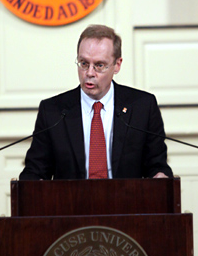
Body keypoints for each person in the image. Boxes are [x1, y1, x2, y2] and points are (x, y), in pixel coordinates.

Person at [19, 24, 172, 180]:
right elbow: (35, 169)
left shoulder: (142, 107)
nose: (89, 73)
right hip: (70, 202)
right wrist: (31, 182)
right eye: (84, 63)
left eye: (99, 65)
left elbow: (157, 164)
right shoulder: (53, 111)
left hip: (126, 201)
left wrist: (160, 176)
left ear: (117, 65)